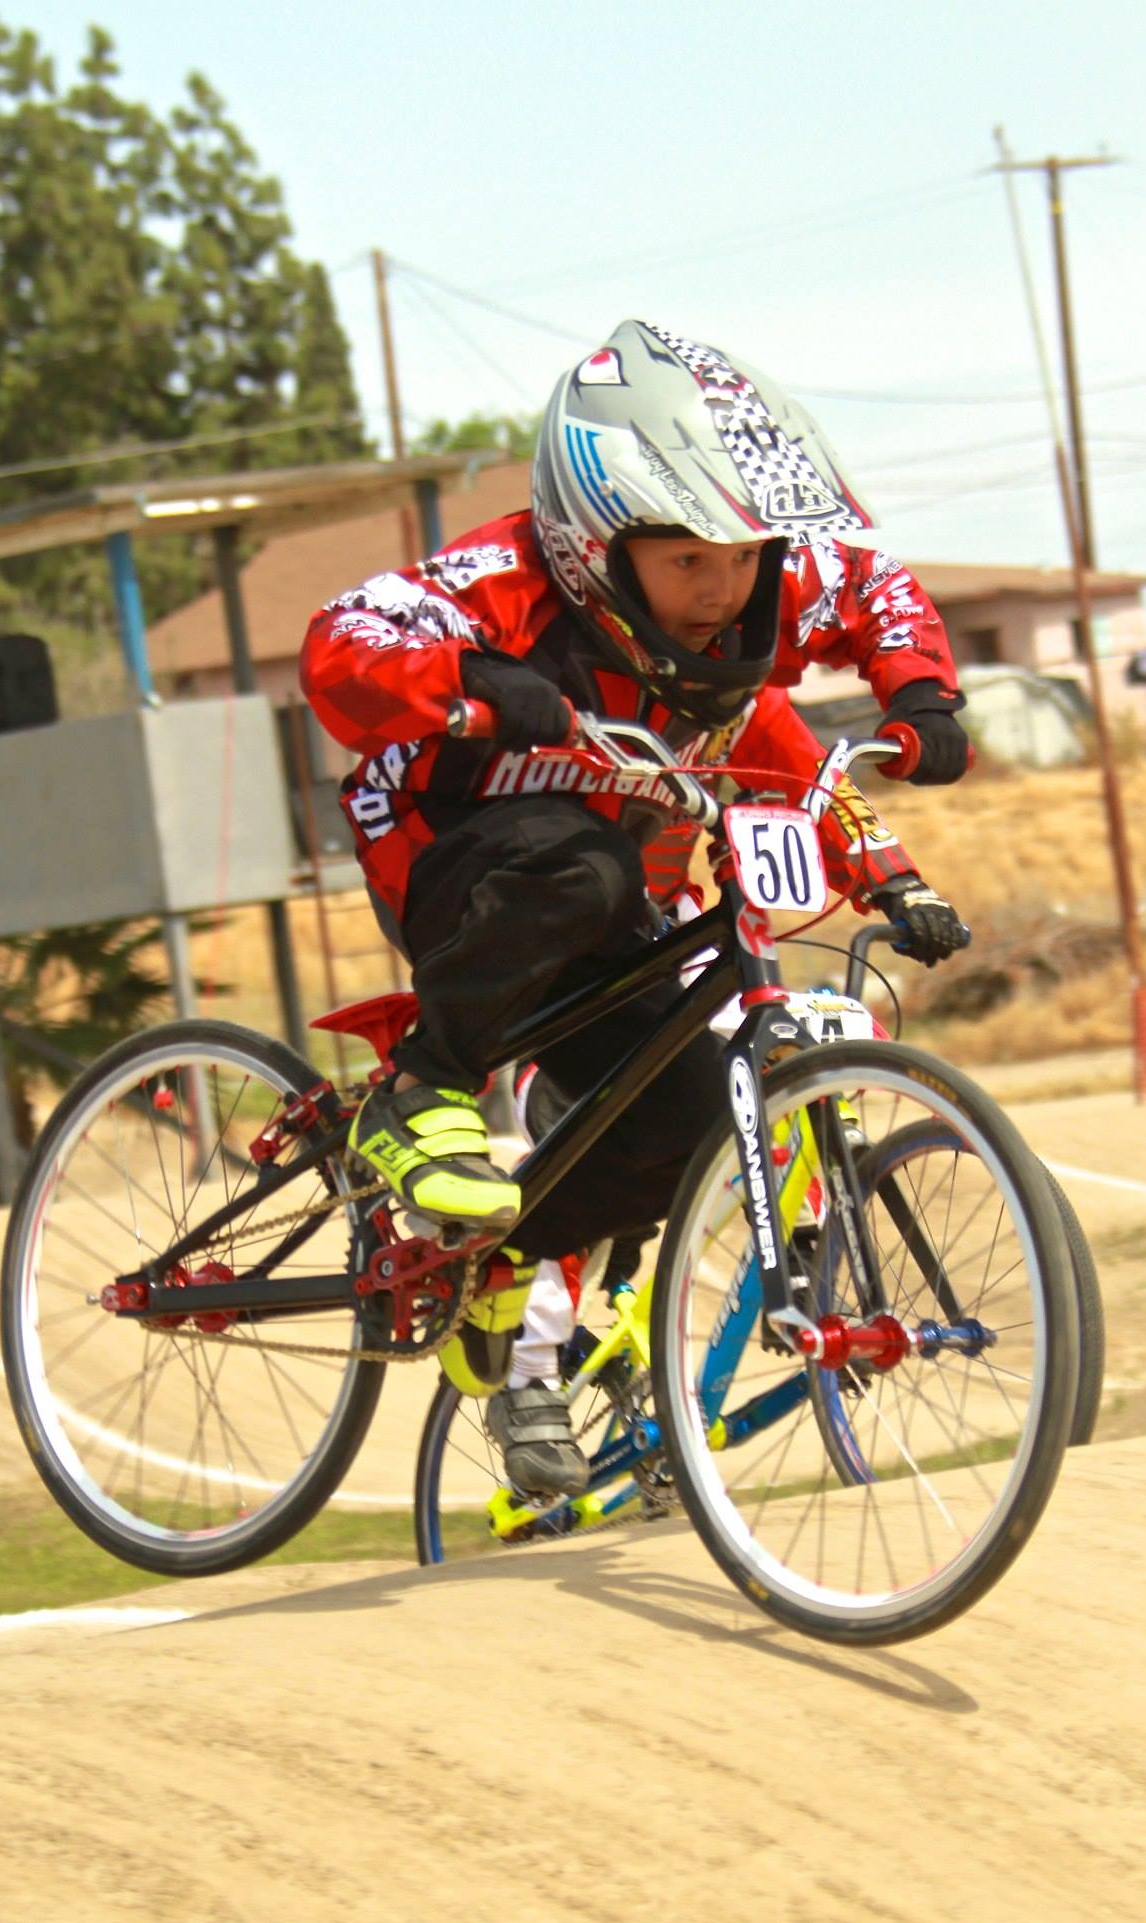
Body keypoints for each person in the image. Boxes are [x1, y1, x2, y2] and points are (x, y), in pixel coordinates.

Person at [300, 318, 970, 1496]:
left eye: (743, 557)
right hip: (450, 852)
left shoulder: (740, 633)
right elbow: (341, 645)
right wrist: (474, 683)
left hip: (607, 910)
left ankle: (500, 1264)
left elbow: (864, 598)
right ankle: (420, 1088)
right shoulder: (507, 582)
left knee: (694, 1123)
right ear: (594, 544)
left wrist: (917, 713)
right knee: (589, 865)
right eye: (687, 560)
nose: (722, 590)